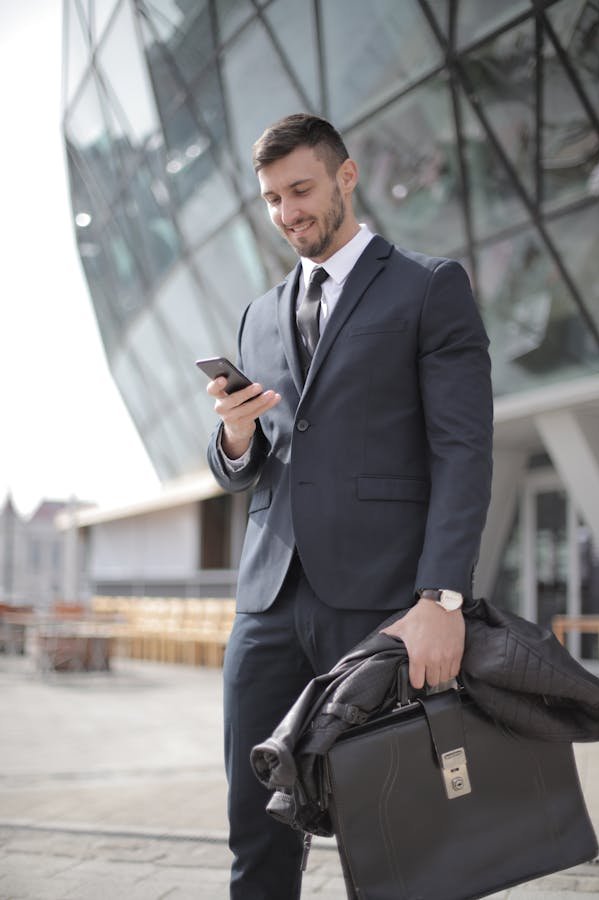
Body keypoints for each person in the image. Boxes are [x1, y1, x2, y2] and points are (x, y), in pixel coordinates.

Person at [206, 113, 493, 899]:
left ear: (346, 175)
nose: (287, 212)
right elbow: (251, 468)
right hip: (266, 604)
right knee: (254, 830)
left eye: (300, 189)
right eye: (270, 199)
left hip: (380, 606)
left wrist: (443, 596)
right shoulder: (258, 314)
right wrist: (234, 438)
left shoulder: (430, 287)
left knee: (395, 837)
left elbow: (462, 452)